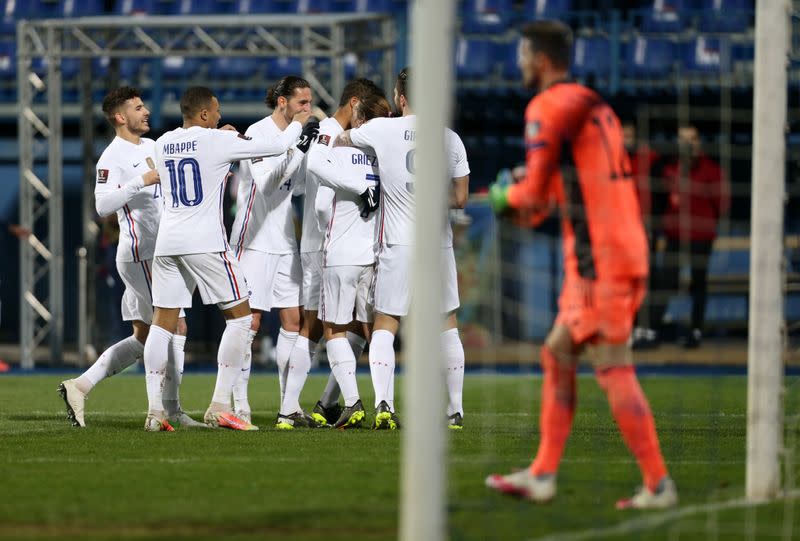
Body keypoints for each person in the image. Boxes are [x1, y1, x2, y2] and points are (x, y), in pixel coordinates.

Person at [484, 20, 677, 508]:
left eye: (524, 55)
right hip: (615, 247)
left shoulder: (547, 106)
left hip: (600, 259)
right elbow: (559, 191)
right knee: (557, 353)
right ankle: (543, 473)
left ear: (542, 59)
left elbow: (528, 197)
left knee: (612, 365)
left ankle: (658, 483)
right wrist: (531, 196)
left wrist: (504, 194)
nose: (520, 64)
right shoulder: (595, 105)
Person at [143, 86, 315, 432]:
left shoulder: (164, 142)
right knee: (240, 319)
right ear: (205, 114)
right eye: (216, 111)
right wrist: (299, 125)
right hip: (205, 242)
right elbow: (278, 146)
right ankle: (221, 405)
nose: (221, 116)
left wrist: (220, 137)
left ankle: (154, 412)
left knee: (161, 325)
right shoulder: (217, 141)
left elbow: (196, 149)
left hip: (167, 242)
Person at [334, 67, 470, 430]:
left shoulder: (380, 129)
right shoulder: (449, 139)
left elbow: (343, 140)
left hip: (398, 243)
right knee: (446, 325)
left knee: (386, 323)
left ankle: (383, 406)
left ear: (400, 97)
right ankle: (454, 410)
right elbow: (460, 198)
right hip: (436, 244)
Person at [58, 87, 202, 429]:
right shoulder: (112, 157)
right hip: (141, 254)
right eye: (138, 108)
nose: (146, 111)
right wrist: (141, 180)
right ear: (120, 117)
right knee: (174, 325)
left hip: (161, 251)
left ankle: (79, 386)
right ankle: (170, 410)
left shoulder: (154, 146)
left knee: (143, 337)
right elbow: (102, 205)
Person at [228, 75, 323, 429]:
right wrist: (297, 144)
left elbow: (294, 188)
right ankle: (240, 406)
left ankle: (289, 407)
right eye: (301, 102)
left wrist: (307, 152)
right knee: (248, 323)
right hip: (253, 241)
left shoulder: (294, 135)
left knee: (293, 322)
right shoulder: (257, 133)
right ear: (282, 102)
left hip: (284, 241)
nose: (307, 109)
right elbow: (267, 183)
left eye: (309, 102)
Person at [296, 78, 387, 427]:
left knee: (332, 330)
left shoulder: (335, 146)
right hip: (371, 254)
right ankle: (381, 403)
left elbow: (320, 198)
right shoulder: (378, 155)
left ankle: (352, 402)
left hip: (338, 251)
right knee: (367, 330)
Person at [635, 124, 730, 349]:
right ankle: (651, 330)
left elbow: (722, 205)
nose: (687, 144)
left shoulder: (711, 169)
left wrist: (705, 221)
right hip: (675, 235)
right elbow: (658, 199)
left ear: (699, 142)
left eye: (692, 139)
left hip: (701, 237)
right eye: (682, 139)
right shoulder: (668, 168)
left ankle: (696, 330)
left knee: (698, 282)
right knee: (667, 281)